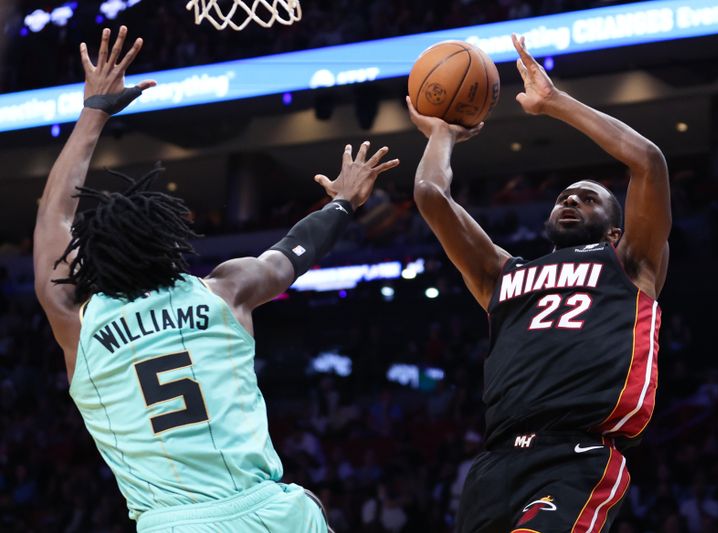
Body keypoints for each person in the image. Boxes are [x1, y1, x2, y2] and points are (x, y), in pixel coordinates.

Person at [33, 27, 399, 533]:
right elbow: (291, 255)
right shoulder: (223, 291)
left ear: (91, 257)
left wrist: (94, 110)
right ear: (168, 241)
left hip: (179, 524)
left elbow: (53, 220)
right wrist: (342, 202)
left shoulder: (80, 324)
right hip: (276, 513)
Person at [407, 34, 670, 533]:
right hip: (494, 463)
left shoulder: (630, 262)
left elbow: (648, 161)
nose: (570, 201)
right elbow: (429, 194)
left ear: (616, 229)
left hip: (574, 456)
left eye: (588, 198)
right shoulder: (504, 274)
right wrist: (441, 133)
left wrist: (555, 103)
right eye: (564, 197)